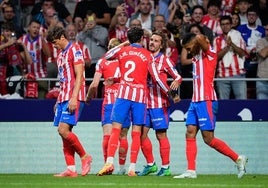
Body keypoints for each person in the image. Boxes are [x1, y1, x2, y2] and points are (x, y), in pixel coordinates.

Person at [97, 27, 172, 176]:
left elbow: (107, 55)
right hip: (139, 97)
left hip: (123, 94)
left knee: (116, 129)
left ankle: (109, 162)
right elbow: (156, 78)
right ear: (142, 39)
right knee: (136, 133)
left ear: (129, 38)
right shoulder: (147, 55)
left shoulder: (123, 51)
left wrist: (124, 43)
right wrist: (169, 92)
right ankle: (131, 168)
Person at [173, 33, 248, 179]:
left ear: (196, 43)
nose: (188, 52)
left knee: (208, 139)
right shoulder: (196, 57)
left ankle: (238, 158)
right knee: (189, 131)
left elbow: (201, 38)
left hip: (206, 100)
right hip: (195, 101)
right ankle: (190, 171)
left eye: (189, 48)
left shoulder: (210, 53)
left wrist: (194, 37)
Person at [46, 26, 92, 177]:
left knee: (63, 130)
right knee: (63, 133)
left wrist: (73, 97)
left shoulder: (75, 50)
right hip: (63, 97)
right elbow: (63, 79)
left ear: (62, 38)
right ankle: (71, 169)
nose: (54, 45)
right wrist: (58, 99)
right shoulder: (60, 55)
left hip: (73, 96)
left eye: (54, 42)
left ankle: (85, 156)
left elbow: (79, 75)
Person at [138, 30, 182, 177]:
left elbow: (178, 76)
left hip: (159, 103)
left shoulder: (165, 60)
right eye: (151, 40)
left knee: (160, 135)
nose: (152, 42)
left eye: (156, 41)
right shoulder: (144, 57)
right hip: (144, 103)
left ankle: (166, 167)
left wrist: (175, 86)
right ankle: (150, 164)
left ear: (161, 45)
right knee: (140, 135)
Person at [86, 38, 130, 175]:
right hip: (125, 100)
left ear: (109, 48)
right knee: (123, 136)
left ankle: (108, 166)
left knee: (107, 135)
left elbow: (94, 85)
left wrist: (88, 97)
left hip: (110, 102)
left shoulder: (102, 61)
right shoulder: (125, 60)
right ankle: (122, 168)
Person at [214, 15, 247, 99]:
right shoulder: (216, 40)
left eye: (227, 24)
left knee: (242, 103)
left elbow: (243, 53)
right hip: (222, 75)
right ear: (220, 26)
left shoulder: (238, 36)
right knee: (224, 105)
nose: (225, 26)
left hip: (238, 74)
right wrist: (227, 47)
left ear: (231, 25)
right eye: (223, 24)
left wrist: (232, 44)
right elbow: (215, 58)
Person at [20, 19, 51, 99]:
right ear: (29, 28)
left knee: (40, 102)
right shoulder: (22, 40)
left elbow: (48, 54)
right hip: (26, 77)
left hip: (40, 76)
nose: (36, 29)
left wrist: (42, 38)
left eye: (38, 28)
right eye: (34, 27)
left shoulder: (42, 40)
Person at [256, 24, 268, 99]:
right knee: (262, 106)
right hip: (262, 79)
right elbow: (263, 54)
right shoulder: (260, 41)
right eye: (267, 30)